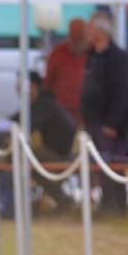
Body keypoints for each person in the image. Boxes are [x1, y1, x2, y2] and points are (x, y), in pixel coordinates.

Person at [79, 13, 128, 214]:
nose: (87, 33)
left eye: (90, 29)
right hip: (94, 120)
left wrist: (112, 123)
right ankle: (106, 202)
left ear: (101, 32)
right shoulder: (92, 55)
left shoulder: (117, 57)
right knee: (100, 167)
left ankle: (117, 204)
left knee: (114, 165)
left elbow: (120, 93)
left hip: (110, 125)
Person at [24, 73, 77, 211]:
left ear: (33, 87)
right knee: (32, 160)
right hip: (58, 152)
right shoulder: (42, 102)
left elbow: (28, 124)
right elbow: (21, 118)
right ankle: (60, 198)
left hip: (61, 154)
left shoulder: (44, 104)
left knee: (24, 159)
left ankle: (18, 203)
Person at [44, 17, 89, 125]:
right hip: (62, 112)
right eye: (75, 37)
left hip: (87, 114)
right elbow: (47, 84)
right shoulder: (58, 54)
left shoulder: (92, 54)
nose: (77, 42)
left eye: (80, 38)